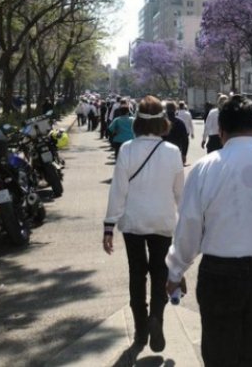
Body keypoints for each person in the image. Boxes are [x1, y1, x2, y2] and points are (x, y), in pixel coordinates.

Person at [165, 95, 252, 367]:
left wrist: (175, 271)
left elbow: (189, 227)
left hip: (219, 273)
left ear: (222, 130)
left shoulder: (206, 167)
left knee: (218, 355)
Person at [103, 96, 184, 352]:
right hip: (163, 221)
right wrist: (186, 225)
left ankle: (140, 329)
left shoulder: (127, 148)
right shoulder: (173, 152)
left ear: (137, 122)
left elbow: (118, 190)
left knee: (137, 274)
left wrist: (108, 226)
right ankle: (156, 318)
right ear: (163, 123)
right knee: (161, 272)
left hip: (133, 222)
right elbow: (180, 193)